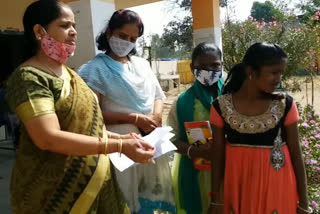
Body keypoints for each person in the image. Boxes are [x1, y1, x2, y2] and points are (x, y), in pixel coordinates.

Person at [7, 1, 156, 213]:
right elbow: (47, 137)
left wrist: (125, 139)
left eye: (74, 26)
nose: (74, 32)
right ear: (40, 31)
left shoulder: (71, 75)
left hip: (100, 189)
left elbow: (88, 130)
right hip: (55, 195)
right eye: (65, 25)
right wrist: (119, 147)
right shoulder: (29, 78)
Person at [79, 9, 176, 214]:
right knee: (123, 198)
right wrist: (133, 118)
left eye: (133, 39)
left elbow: (158, 96)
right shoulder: (94, 69)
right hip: (118, 147)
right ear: (109, 33)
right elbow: (92, 115)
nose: (127, 42)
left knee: (149, 199)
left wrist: (156, 117)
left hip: (150, 142)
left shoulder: (141, 65)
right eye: (122, 36)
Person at [209, 42, 309, 214]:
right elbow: (217, 155)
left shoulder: (285, 105)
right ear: (251, 72)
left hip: (279, 192)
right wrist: (216, 198)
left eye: (281, 73)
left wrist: (304, 204)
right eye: (273, 73)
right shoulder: (221, 107)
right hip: (239, 191)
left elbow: (296, 155)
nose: (278, 79)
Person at [167, 42, 224, 214]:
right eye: (203, 66)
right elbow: (170, 139)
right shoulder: (182, 102)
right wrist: (194, 151)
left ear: (222, 64)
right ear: (193, 67)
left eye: (215, 65)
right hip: (196, 174)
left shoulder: (234, 97)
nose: (209, 70)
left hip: (230, 172)